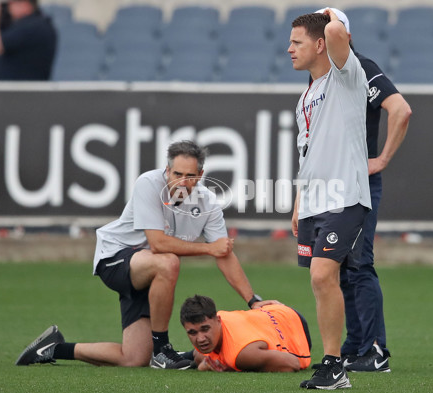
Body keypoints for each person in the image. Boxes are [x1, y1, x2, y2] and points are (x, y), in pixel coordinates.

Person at [15, 140, 277, 368]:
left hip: (147, 273)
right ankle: (162, 350)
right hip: (115, 259)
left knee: (133, 358)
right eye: (176, 173)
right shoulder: (149, 183)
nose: (182, 181)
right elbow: (158, 244)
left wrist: (252, 299)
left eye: (190, 175)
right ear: (167, 170)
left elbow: (225, 255)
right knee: (168, 262)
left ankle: (53, 348)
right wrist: (208, 248)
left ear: (201, 175)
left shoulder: (208, 202)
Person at [310, 9, 412, 373]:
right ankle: (355, 346)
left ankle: (375, 349)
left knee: (359, 265)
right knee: (341, 266)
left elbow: (400, 110)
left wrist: (381, 158)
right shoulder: (325, 79)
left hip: (358, 183)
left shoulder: (360, 67)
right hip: (334, 184)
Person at [288, 8, 371, 390]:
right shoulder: (305, 95)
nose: (288, 49)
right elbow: (306, 155)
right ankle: (332, 364)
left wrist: (327, 14)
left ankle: (335, 366)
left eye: (297, 42)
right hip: (315, 201)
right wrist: (298, 202)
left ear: (320, 45)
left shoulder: (346, 75)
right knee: (321, 281)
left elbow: (337, 29)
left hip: (345, 197)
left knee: (324, 274)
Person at [179, 295, 311, 372]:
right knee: (197, 355)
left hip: (295, 328)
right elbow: (201, 357)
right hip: (271, 313)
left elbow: (292, 363)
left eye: (205, 329)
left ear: (218, 320)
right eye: (192, 333)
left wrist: (229, 367)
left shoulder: (242, 354)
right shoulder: (217, 318)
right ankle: (179, 355)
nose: (200, 338)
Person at [0, 0, 57, 80]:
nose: (8, 7)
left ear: (24, 3)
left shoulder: (33, 26)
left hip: (21, 90)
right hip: (16, 89)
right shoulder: (38, 24)